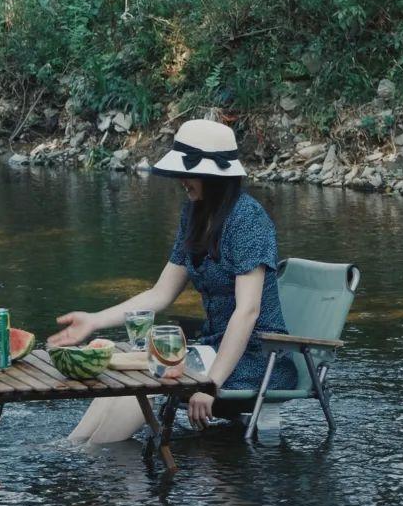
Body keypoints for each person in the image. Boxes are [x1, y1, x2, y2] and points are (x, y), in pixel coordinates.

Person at [49, 118, 295, 444]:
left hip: (257, 359)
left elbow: (247, 311)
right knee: (138, 371)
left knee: (152, 376)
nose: (180, 180)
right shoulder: (193, 213)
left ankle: (89, 456)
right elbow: (160, 294)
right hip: (212, 346)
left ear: (212, 175)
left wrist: (210, 384)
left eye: (186, 172)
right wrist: (94, 321)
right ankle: (72, 446)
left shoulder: (248, 219)